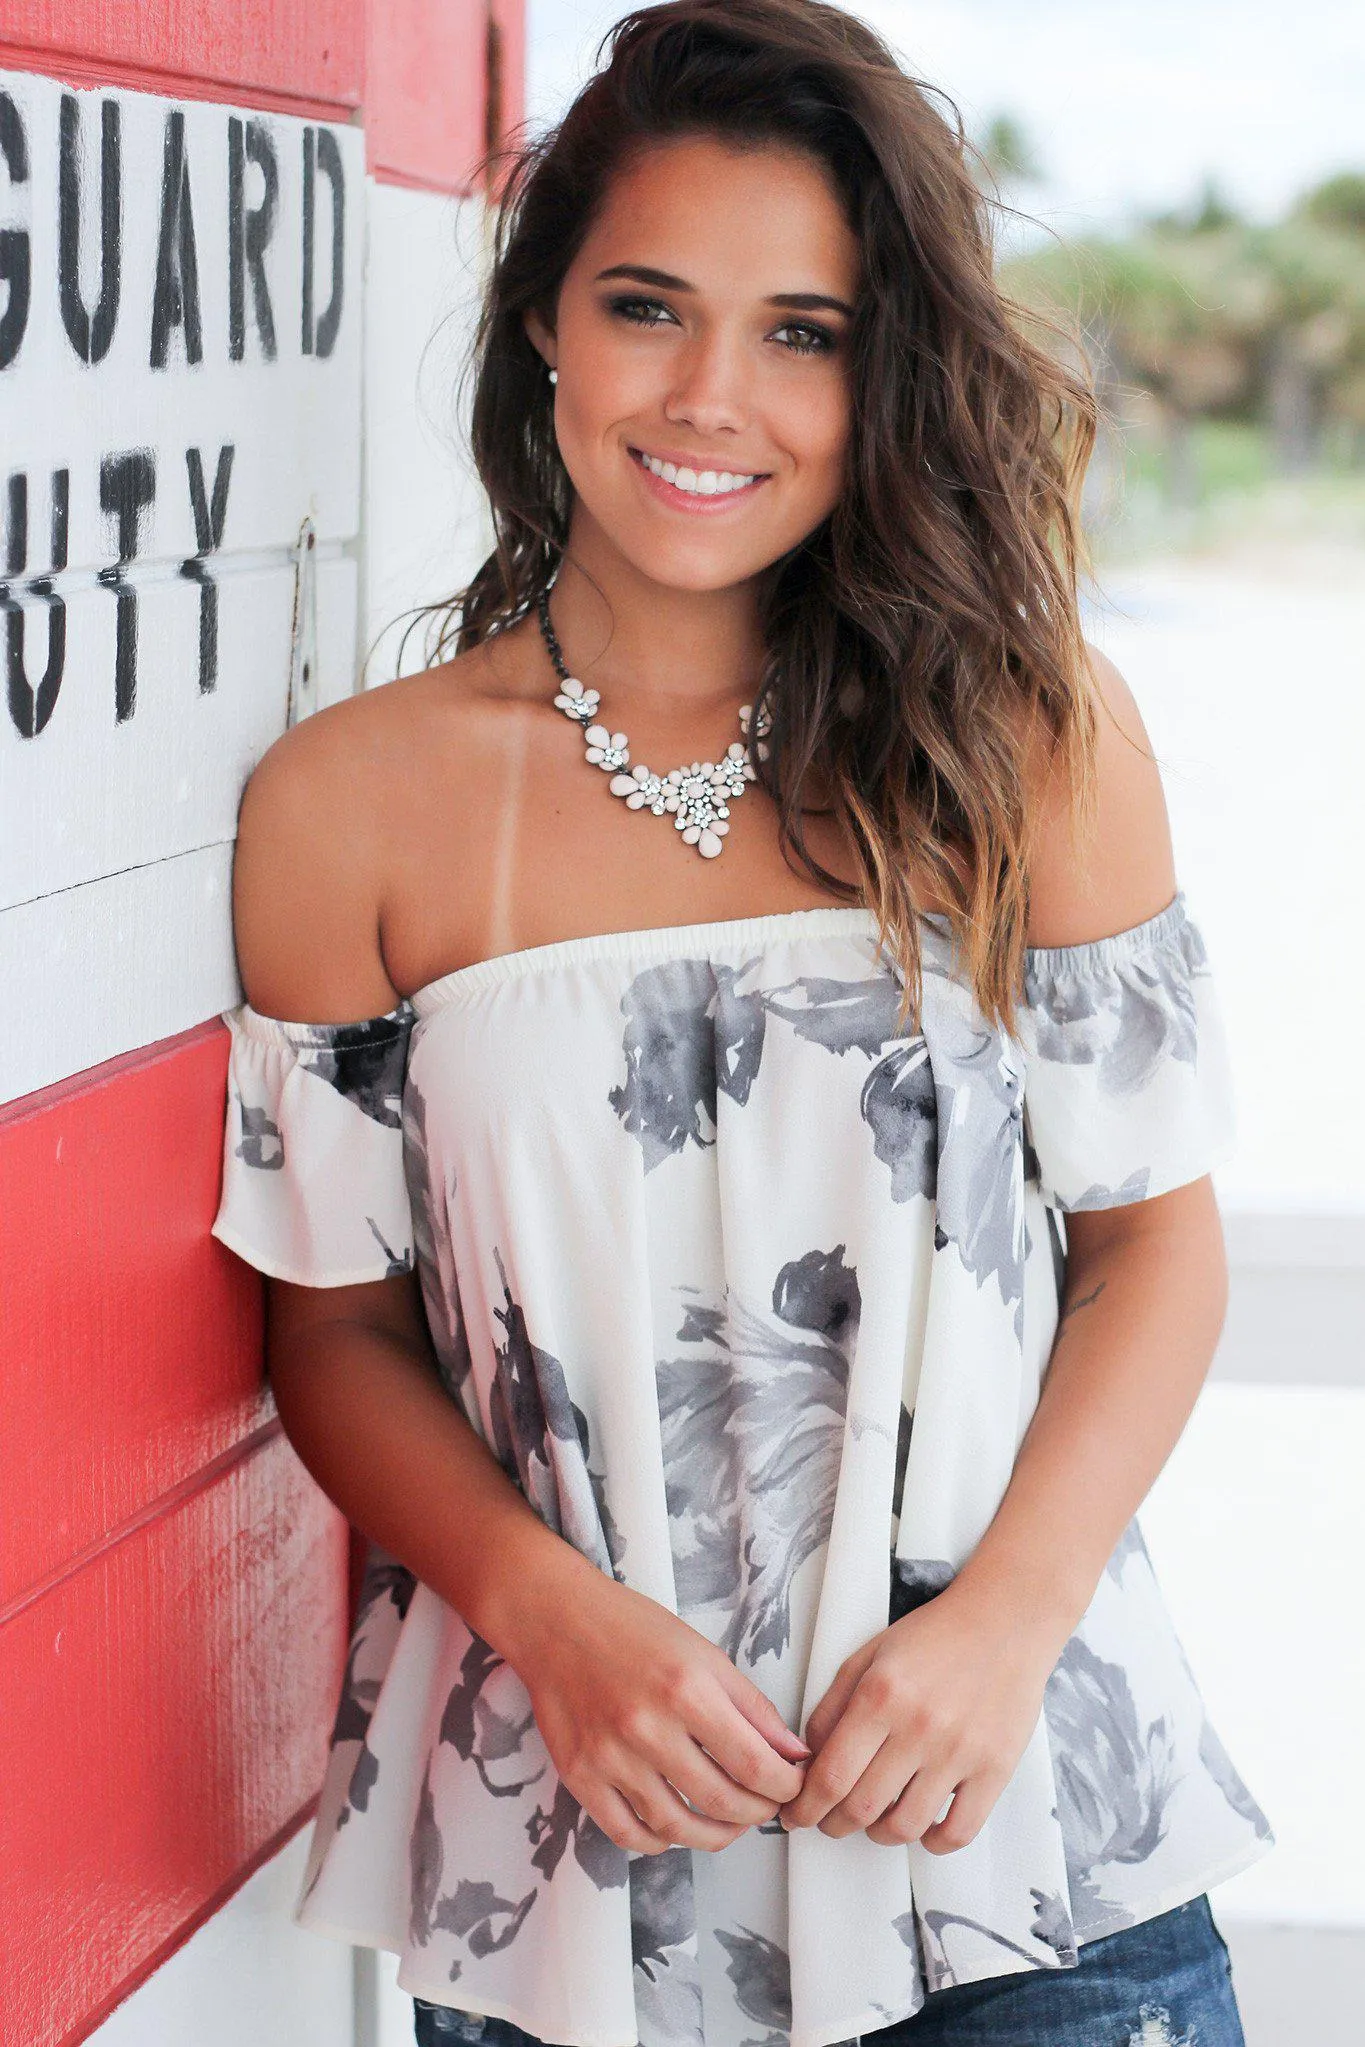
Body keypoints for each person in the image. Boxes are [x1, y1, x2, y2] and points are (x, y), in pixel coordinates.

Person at [208, 4, 1273, 2044]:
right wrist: (543, 1616)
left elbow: (1157, 1247)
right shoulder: (347, 805)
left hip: (1011, 1847)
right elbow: (333, 1333)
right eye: (648, 306)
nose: (715, 396)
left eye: (804, 330)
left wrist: (1006, 1627)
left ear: (885, 377)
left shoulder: (1026, 738)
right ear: (542, 322)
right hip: (578, 1885)